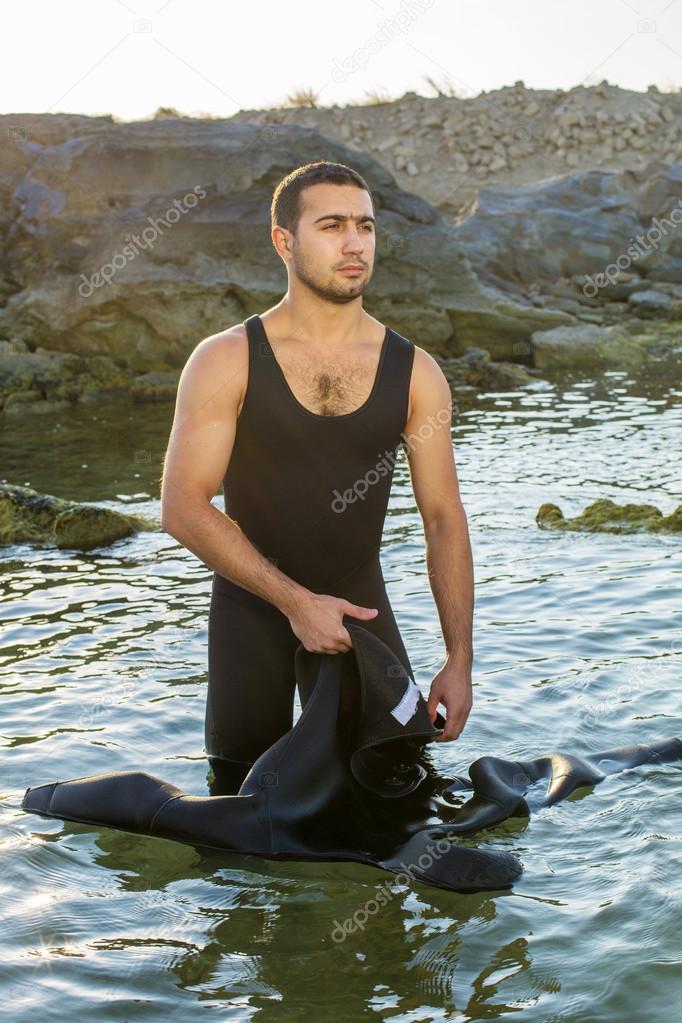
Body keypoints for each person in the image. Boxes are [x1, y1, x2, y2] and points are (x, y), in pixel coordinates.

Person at [160, 160, 474, 792]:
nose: (354, 243)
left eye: (365, 226)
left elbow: (443, 518)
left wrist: (459, 660)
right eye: (331, 225)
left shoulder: (416, 373)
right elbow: (183, 507)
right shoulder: (226, 360)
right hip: (251, 618)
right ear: (285, 241)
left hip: (362, 612)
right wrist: (297, 604)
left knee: (400, 799)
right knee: (241, 829)